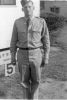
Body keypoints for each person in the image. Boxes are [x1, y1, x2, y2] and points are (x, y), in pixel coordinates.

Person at [10, 0, 50, 99]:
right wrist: (12, 56)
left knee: (36, 81)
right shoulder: (17, 22)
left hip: (36, 54)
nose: (27, 9)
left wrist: (46, 56)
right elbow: (13, 41)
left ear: (33, 8)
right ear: (22, 9)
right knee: (24, 81)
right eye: (25, 7)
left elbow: (46, 40)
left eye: (29, 7)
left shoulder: (41, 22)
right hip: (22, 55)